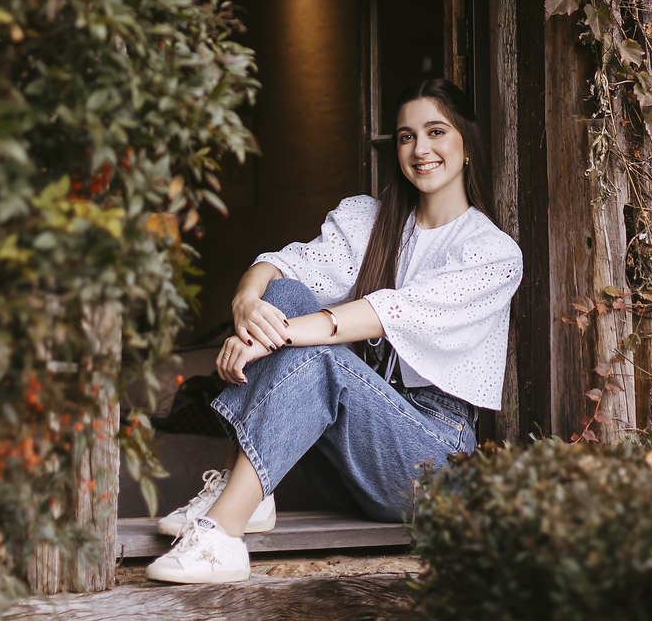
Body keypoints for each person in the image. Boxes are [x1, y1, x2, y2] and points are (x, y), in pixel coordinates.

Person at [146, 77, 523, 584]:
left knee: (318, 354)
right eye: (407, 136)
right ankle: (248, 493)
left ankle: (223, 535)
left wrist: (271, 338)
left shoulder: (492, 253)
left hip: (432, 465)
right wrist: (245, 304)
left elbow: (389, 312)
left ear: (467, 144)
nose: (421, 149)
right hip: (353, 458)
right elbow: (282, 266)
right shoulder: (372, 222)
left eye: (436, 131)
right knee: (283, 295)